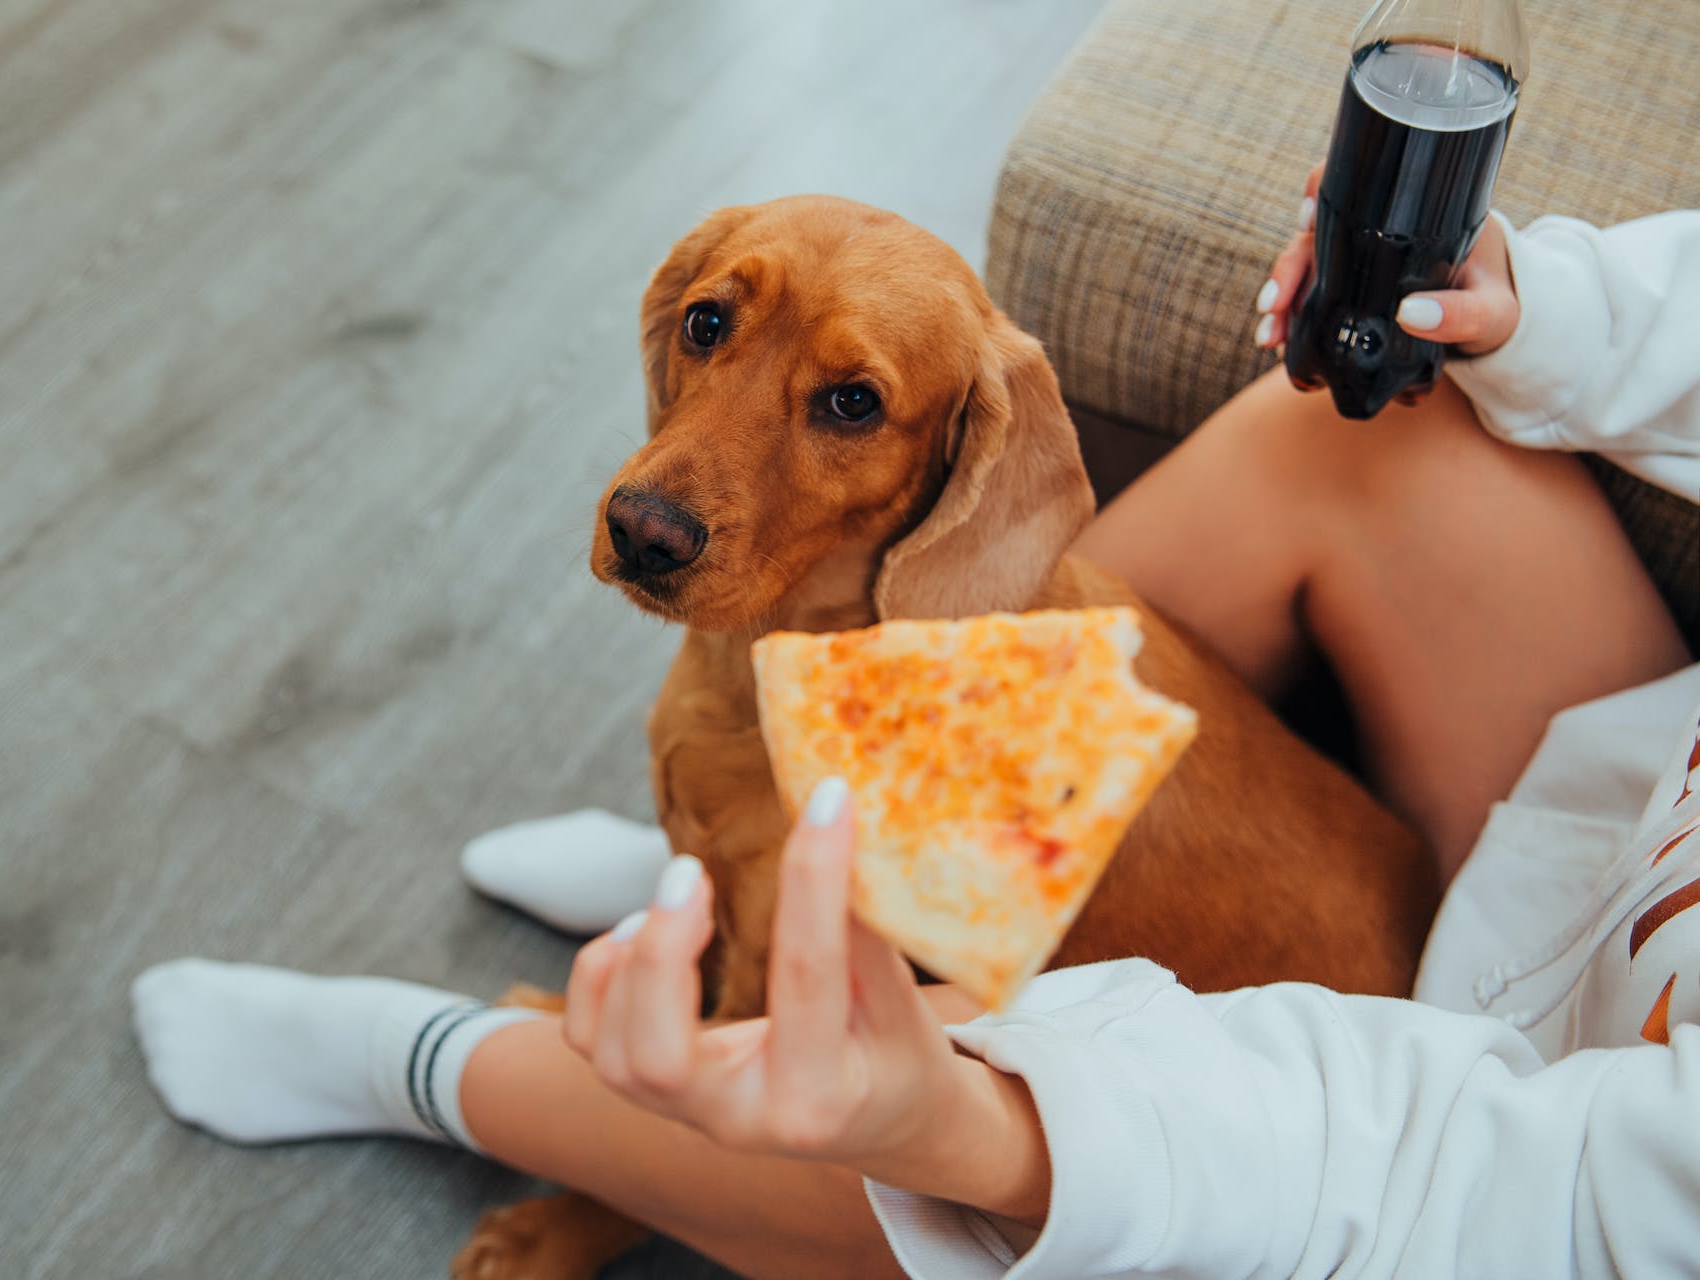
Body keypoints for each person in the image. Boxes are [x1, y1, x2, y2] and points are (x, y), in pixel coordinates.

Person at [131, 184, 1700, 1277]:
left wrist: (986, 1118)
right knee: (1371, 422)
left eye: (844, 401)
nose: (665, 488)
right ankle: (752, 873)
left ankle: (459, 1066)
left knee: (1001, 1163)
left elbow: (1537, 1204)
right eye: (706, 330)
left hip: (1479, 1149)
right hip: (1631, 826)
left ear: (962, 447)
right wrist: (1556, 308)